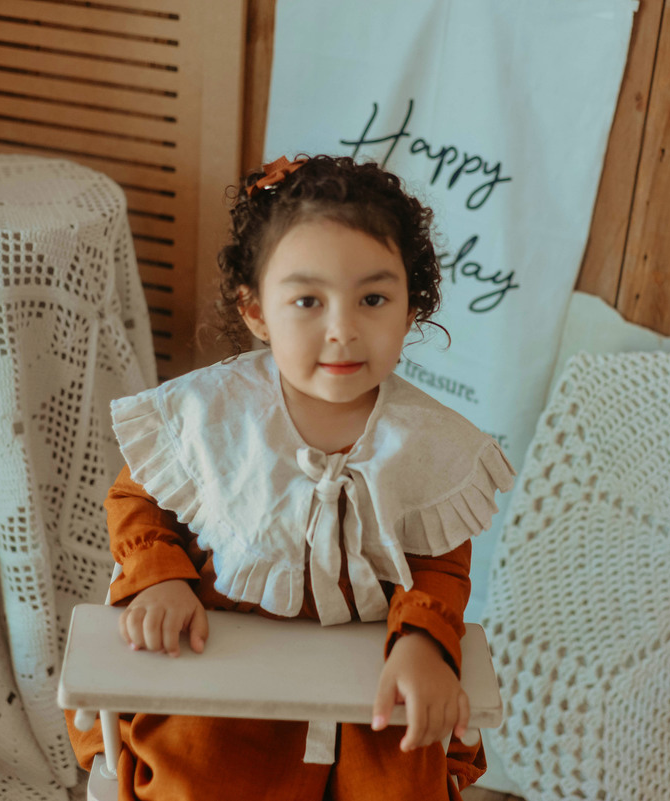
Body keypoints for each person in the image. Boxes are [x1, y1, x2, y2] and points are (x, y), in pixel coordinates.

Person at [65, 154, 514, 800]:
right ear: (256, 311)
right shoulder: (213, 411)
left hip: (371, 666)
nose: (343, 330)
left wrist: (422, 640)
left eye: (373, 299)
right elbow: (138, 496)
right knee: (195, 774)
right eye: (307, 301)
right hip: (222, 660)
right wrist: (161, 578)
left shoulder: (426, 439)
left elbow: (439, 558)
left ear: (409, 307)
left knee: (402, 778)